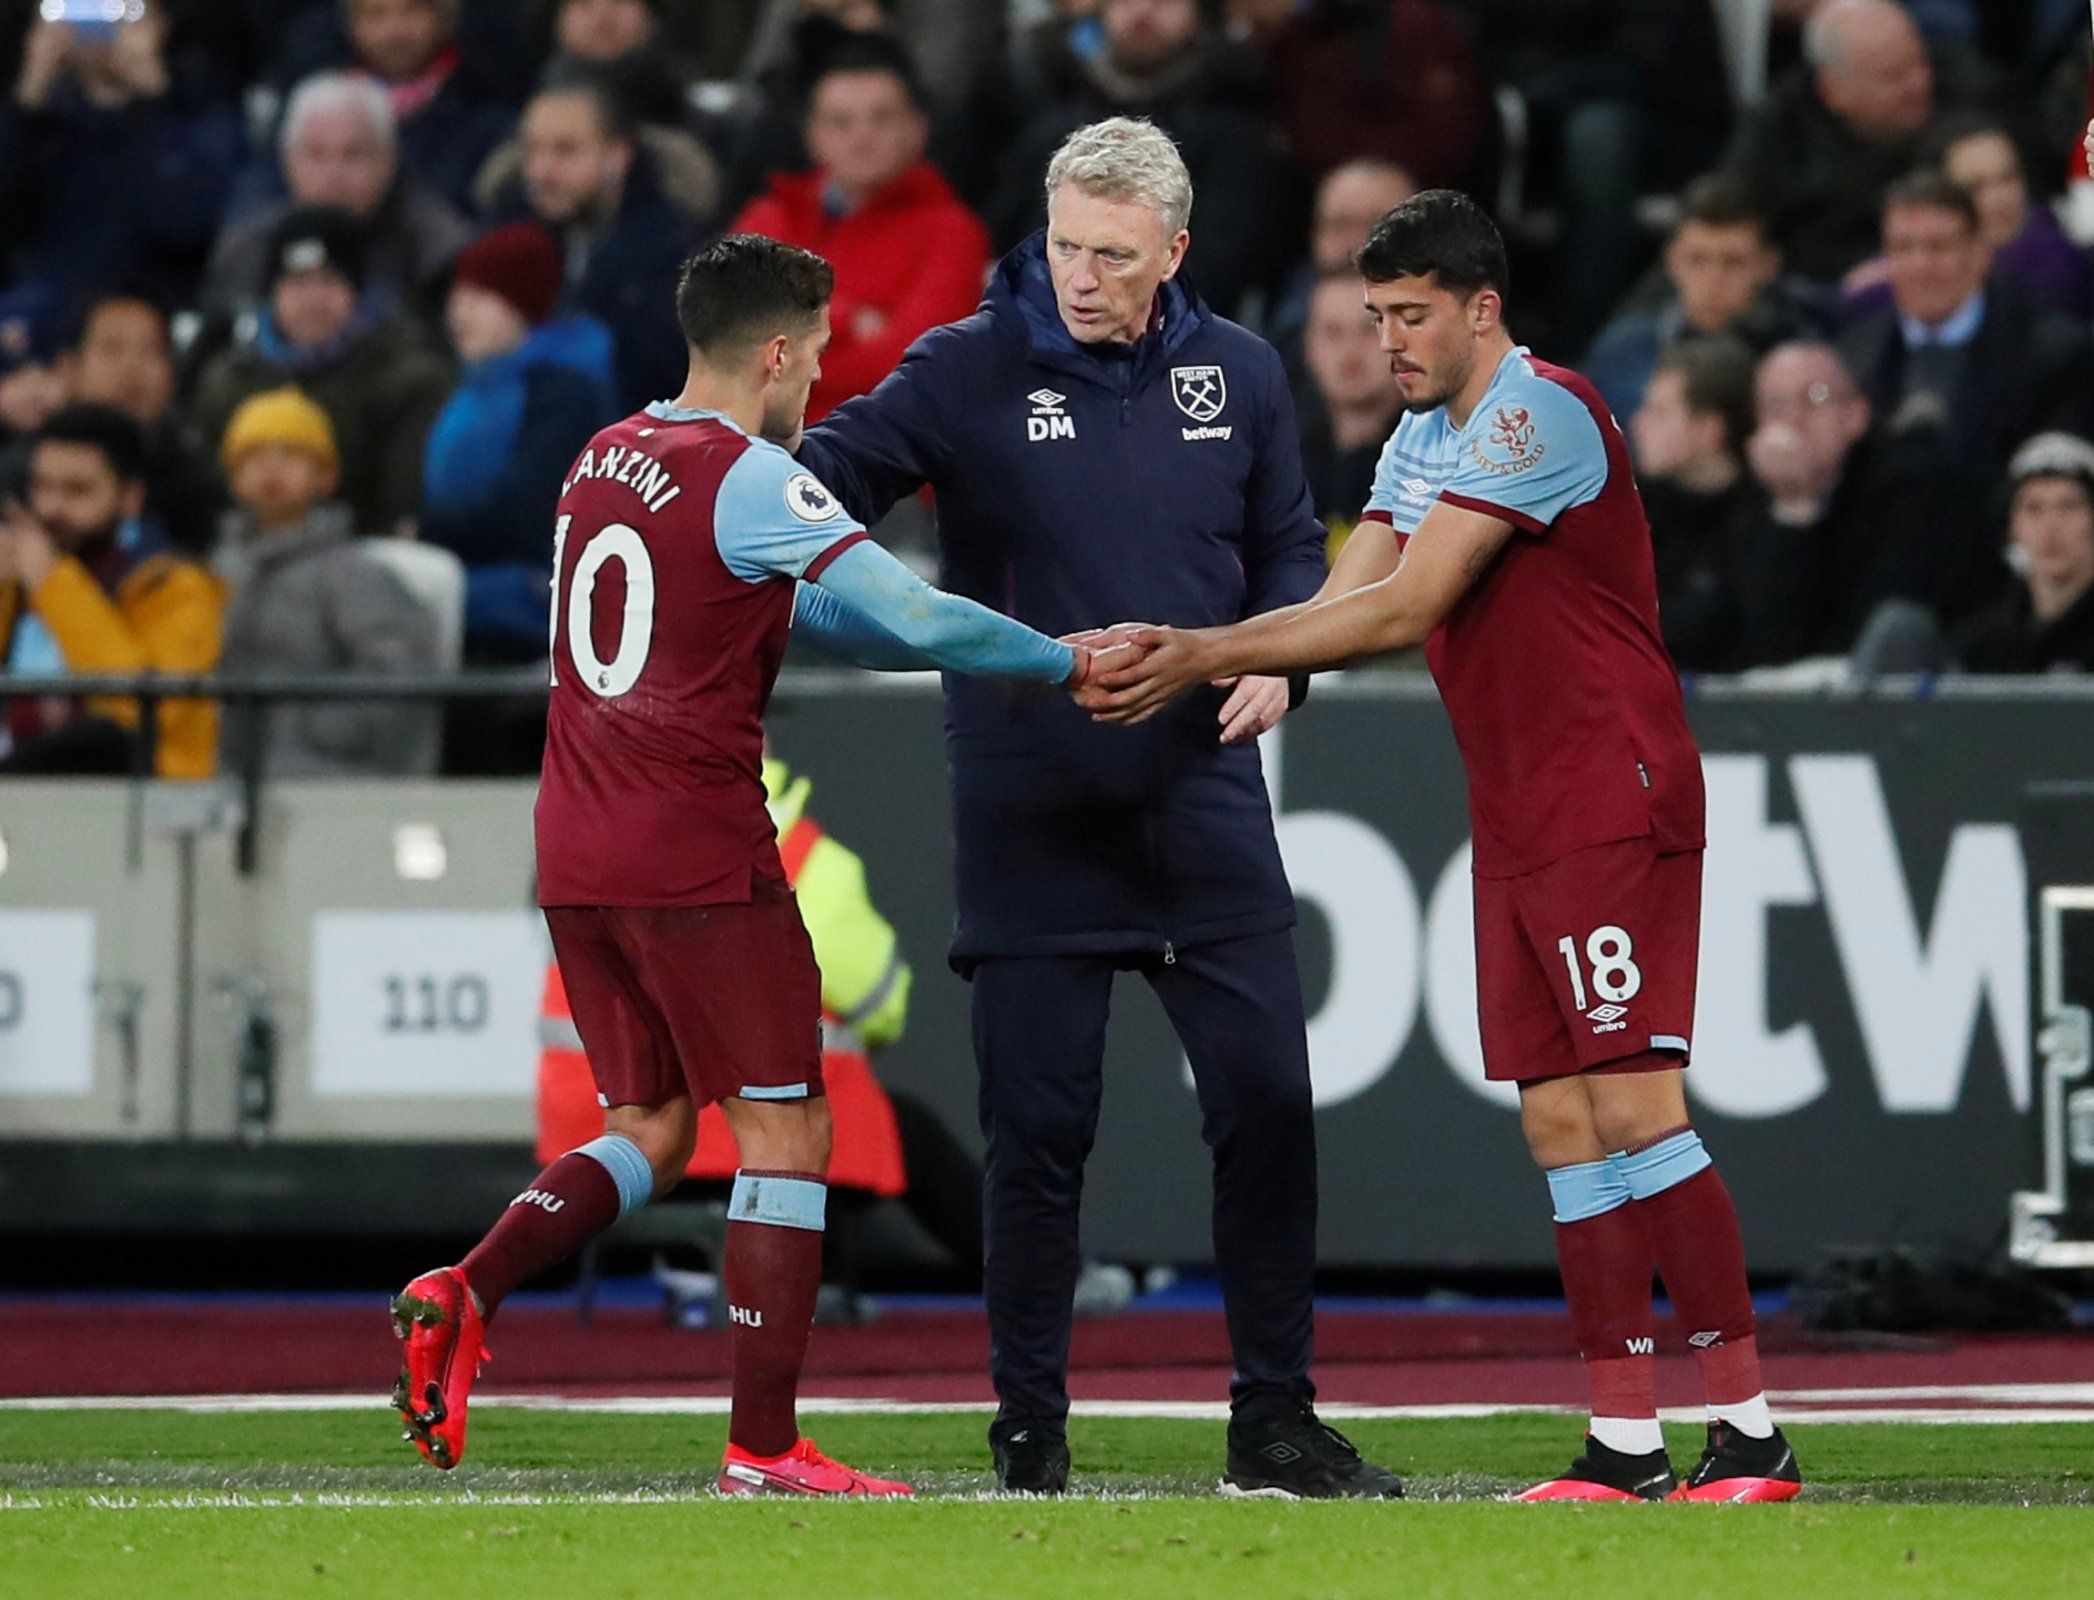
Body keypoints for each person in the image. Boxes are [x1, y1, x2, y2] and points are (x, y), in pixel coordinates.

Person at [1084, 190, 1802, 1504]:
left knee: (1634, 1102)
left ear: (1482, 308)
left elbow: (1412, 602)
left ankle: (1749, 1430)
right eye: (1377, 316)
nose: (1389, 342)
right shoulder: (1426, 433)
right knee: (1558, 1118)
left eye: (1412, 315)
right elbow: (1356, 583)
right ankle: (1625, 1442)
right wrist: (1274, 663)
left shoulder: (1538, 415)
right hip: (1521, 806)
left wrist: (1203, 651)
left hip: (1607, 791)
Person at [391, 232, 1118, 1498]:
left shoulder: (600, 456)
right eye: (819, 354)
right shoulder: (752, 476)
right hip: (697, 846)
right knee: (788, 1125)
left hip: (576, 842)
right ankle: (766, 1445)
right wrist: (1066, 662)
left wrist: (945, 648)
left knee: (653, 1128)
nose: (822, 379)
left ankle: (466, 1284)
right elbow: (912, 610)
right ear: (775, 352)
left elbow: (821, 615)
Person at [797, 118, 1402, 1501]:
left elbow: (1287, 548)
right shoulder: (965, 365)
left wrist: (1286, 664)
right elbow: (820, 486)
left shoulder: (1241, 371)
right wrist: (789, 547)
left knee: (1266, 1104)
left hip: (1201, 798)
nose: (1081, 275)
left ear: (1173, 250)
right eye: (1066, 245)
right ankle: (1028, 1431)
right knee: (1037, 1136)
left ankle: (1274, 1422)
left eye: (1114, 256)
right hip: (1033, 804)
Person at [1837, 171, 2094, 627]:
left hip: (2001, 605)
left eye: (1939, 247)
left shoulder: (2052, 355)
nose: (1921, 265)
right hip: (1872, 599)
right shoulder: (1852, 358)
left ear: (1980, 253)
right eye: (1904, 248)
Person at [729, 37, 989, 422]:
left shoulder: (953, 234)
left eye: (881, 118)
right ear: (813, 135)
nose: (861, 135)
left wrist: (785, 352)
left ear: (917, 130)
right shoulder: (769, 218)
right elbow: (726, 348)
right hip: (758, 444)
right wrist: (848, 318)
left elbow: (909, 368)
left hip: (881, 449)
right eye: (841, 121)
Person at [989, 0, 1287, 320]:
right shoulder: (1053, 115)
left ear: (1199, 12)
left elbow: (1218, 271)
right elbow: (1003, 246)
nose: (1142, 11)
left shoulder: (1235, 134)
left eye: (1164, 1)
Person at [421, 221, 621, 663]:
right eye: (458, 295)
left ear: (522, 305)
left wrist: (425, 531)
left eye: (480, 297)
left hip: (532, 595)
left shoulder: (564, 392)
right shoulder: (474, 385)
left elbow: (527, 511)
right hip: (468, 576)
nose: (460, 313)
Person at [213, 388, 440, 776]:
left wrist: (309, 731)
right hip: (222, 775)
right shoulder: (215, 572)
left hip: (328, 777)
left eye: (291, 455)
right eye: (253, 457)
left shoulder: (353, 573)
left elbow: (397, 672)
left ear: (326, 475)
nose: (271, 470)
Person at [190, 205, 455, 539]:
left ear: (356, 292)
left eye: (329, 281)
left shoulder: (407, 378)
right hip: (240, 551)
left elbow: (403, 506)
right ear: (272, 294)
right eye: (298, 282)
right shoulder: (228, 380)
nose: (312, 300)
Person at [0, 405, 222, 779]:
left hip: (136, 798)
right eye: (42, 487)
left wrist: (54, 583)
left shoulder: (175, 585)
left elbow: (144, 710)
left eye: (78, 490)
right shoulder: (19, 574)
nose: (52, 508)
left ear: (130, 498)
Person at [0, 0, 245, 304]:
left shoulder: (200, 104)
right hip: (46, 303)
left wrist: (155, 99)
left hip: (152, 302)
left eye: (127, 11)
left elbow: (187, 223)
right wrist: (30, 93)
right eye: (82, 9)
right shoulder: (41, 121)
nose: (105, 27)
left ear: (161, 26)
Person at [489, 77, 694, 409]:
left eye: (565, 151)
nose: (540, 171)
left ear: (619, 155)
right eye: (532, 150)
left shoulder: (672, 257)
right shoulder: (507, 237)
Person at [1722, 0, 1961, 282]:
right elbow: (1731, 218)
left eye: (1919, 63)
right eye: (1892, 77)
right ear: (1833, 92)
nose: (1917, 84)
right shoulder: (1778, 131)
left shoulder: (1962, 91)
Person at [203, 71, 473, 319]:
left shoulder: (439, 252)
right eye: (317, 155)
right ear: (288, 162)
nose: (334, 175)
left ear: (388, 160)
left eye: (353, 154)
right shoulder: (249, 250)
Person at [1583, 174, 1834, 424]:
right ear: (1672, 261)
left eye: (1733, 263)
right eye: (1697, 260)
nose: (1713, 281)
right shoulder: (1624, 354)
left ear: (1768, 265)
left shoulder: (1808, 355)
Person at [1629, 338, 1761, 673]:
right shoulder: (1633, 508)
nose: (1637, 423)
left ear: (1709, 430)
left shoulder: (1762, 518)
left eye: (1659, 412)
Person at [1953, 432, 2094, 673]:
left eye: (2068, 507)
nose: (2050, 527)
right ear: (2012, 526)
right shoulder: (1982, 646)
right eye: (2033, 509)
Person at [1297, 272, 1405, 545]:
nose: (1350, 351)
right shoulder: (1280, 465)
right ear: (1308, 346)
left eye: (1369, 329)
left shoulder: (1438, 458)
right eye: (1333, 333)